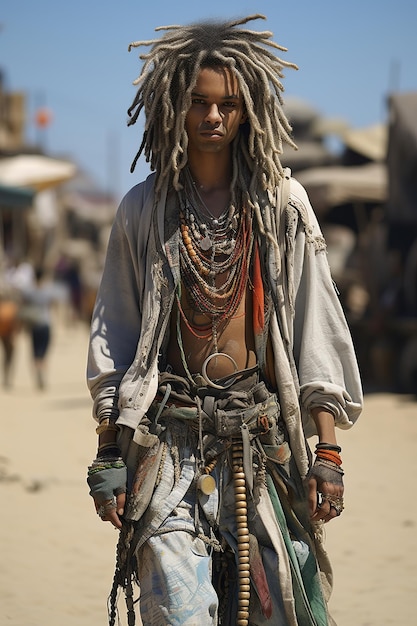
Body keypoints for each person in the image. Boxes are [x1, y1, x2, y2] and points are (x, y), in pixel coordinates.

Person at [86, 14, 363, 626]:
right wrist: (108, 454)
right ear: (173, 108)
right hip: (170, 448)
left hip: (261, 444)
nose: (213, 117)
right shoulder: (144, 210)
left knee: (283, 603)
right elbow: (116, 340)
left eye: (229, 105)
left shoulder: (281, 205)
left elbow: (314, 328)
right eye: (199, 103)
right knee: (177, 614)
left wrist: (328, 452)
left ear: (250, 111)